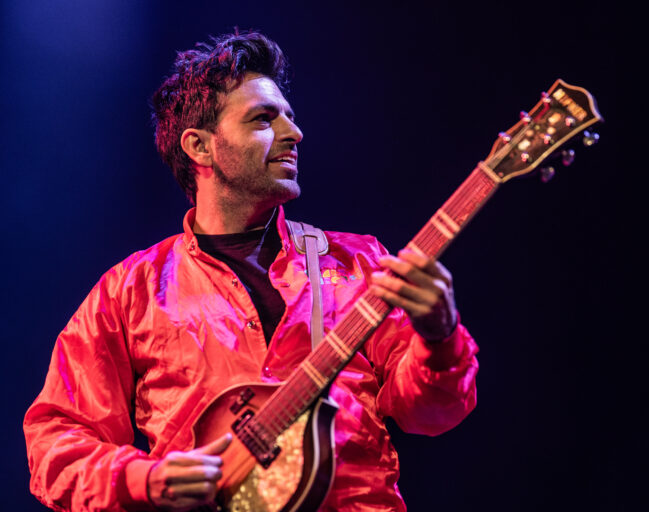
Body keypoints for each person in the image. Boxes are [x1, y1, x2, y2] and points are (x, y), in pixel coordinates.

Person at [24, 30, 478, 511]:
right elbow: (54, 445)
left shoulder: (359, 262)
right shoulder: (130, 291)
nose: (294, 133)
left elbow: (432, 414)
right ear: (200, 147)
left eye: (290, 117)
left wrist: (440, 336)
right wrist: (145, 479)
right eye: (264, 119)